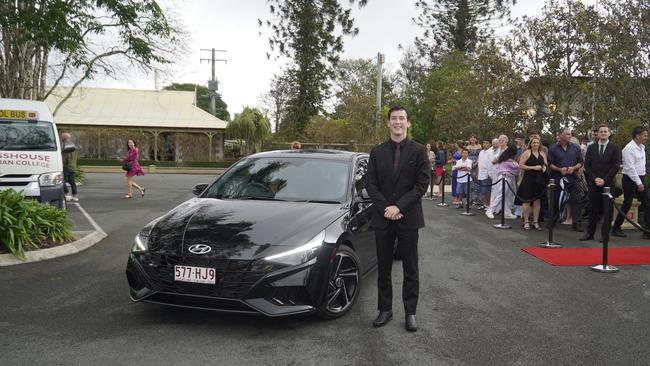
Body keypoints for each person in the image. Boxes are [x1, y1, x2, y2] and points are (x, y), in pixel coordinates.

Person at [366, 105, 429, 332]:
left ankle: (410, 312)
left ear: (408, 123)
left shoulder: (419, 151)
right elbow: (370, 184)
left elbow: (422, 184)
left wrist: (399, 206)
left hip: (408, 217)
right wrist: (387, 208)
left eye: (402, 118)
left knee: (411, 268)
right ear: (388, 123)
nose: (398, 122)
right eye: (394, 118)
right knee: (383, 267)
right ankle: (385, 310)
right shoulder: (377, 152)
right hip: (383, 218)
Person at [580, 124, 621, 241]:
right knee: (592, 209)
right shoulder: (591, 148)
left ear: (609, 133)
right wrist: (595, 179)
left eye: (605, 132)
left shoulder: (615, 148)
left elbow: (615, 166)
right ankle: (589, 233)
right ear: (597, 134)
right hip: (594, 183)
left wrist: (604, 180)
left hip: (608, 184)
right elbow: (587, 165)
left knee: (607, 210)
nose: (603, 133)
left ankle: (605, 235)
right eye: (601, 132)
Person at [612, 126, 650, 239]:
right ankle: (616, 227)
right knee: (627, 203)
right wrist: (639, 183)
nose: (646, 137)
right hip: (630, 179)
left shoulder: (642, 147)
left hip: (641, 177)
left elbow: (640, 166)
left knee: (647, 203)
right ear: (637, 135)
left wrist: (642, 180)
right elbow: (630, 168)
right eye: (644, 135)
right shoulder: (629, 149)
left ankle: (647, 231)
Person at [548, 127, 584, 232]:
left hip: (573, 178)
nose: (570, 136)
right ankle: (553, 221)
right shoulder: (553, 148)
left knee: (576, 200)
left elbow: (580, 162)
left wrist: (573, 168)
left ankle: (576, 223)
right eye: (567, 134)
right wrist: (559, 169)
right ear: (561, 135)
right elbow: (550, 164)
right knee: (555, 200)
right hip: (558, 178)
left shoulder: (576, 148)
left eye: (570, 134)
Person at [516, 136, 548, 230]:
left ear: (540, 144)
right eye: (534, 142)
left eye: (537, 143)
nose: (536, 144)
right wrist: (533, 168)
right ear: (530, 144)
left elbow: (545, 163)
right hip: (528, 179)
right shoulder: (526, 153)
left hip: (539, 180)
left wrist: (544, 167)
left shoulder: (542, 153)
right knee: (526, 201)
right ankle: (526, 221)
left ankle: (535, 222)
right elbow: (521, 165)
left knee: (537, 201)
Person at [486, 145, 519, 219]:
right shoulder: (508, 161)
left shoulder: (503, 159)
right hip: (505, 178)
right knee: (500, 195)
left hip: (508, 178)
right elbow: (516, 170)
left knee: (507, 196)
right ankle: (490, 210)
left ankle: (507, 212)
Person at [485, 135, 509, 218]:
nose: (501, 142)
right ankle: (491, 210)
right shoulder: (498, 151)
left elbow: (508, 160)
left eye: (503, 140)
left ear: (506, 141)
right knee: (500, 193)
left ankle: (507, 212)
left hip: (507, 173)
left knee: (506, 193)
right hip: (500, 174)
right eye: (500, 140)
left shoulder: (507, 150)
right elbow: (492, 161)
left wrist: (498, 160)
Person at [61, 132, 79, 202]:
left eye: (62, 138)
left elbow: (66, 158)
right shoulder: (74, 146)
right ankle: (75, 196)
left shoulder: (66, 146)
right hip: (73, 167)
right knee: (72, 182)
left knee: (62, 181)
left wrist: (63, 164)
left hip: (66, 167)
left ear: (64, 139)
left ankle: (67, 194)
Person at [476, 138, 492, 209]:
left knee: (487, 191)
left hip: (487, 174)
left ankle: (489, 205)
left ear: (490, 144)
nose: (485, 144)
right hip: (481, 174)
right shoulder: (481, 152)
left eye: (487, 143)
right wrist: (477, 173)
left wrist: (489, 174)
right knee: (482, 190)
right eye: (484, 143)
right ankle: (485, 204)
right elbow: (479, 163)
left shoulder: (491, 152)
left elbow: (490, 164)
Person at [466, 135, 482, 206]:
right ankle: (470, 199)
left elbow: (480, 156)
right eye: (471, 137)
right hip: (469, 165)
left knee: (476, 182)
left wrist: (476, 163)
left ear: (476, 139)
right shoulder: (467, 147)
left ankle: (477, 199)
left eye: (474, 137)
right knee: (470, 182)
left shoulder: (479, 146)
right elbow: (465, 156)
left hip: (477, 165)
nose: (472, 138)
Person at [449, 140, 464, 205]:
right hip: (454, 168)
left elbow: (462, 159)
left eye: (456, 144)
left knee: (459, 184)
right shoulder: (456, 151)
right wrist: (452, 160)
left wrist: (455, 160)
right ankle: (455, 197)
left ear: (458, 144)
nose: (455, 145)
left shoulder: (462, 151)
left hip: (459, 169)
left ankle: (459, 198)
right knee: (454, 183)